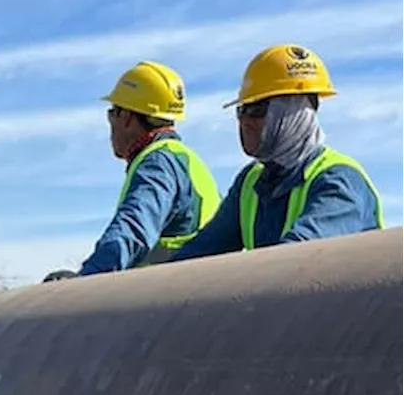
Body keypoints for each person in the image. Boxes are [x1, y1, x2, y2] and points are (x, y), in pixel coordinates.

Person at [168, 44, 384, 262]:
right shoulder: (251, 182)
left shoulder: (339, 182)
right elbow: (202, 250)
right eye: (241, 110)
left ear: (297, 111)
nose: (245, 120)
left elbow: (293, 262)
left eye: (257, 109)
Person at [44, 61, 221, 282]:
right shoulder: (186, 160)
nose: (111, 124)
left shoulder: (158, 163)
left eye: (112, 114)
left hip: (173, 298)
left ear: (126, 117)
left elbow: (133, 229)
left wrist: (86, 281)